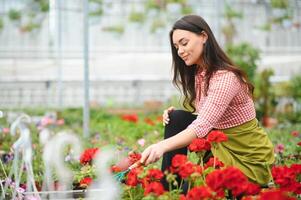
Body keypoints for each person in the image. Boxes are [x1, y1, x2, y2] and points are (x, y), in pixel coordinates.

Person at [140, 15, 275, 188]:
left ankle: (177, 189)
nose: (180, 51)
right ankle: (167, 190)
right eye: (176, 46)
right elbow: (207, 115)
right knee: (177, 118)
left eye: (184, 43)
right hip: (220, 147)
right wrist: (175, 117)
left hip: (247, 160)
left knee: (194, 188)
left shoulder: (226, 78)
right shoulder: (201, 73)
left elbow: (202, 125)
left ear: (203, 37)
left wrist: (161, 146)